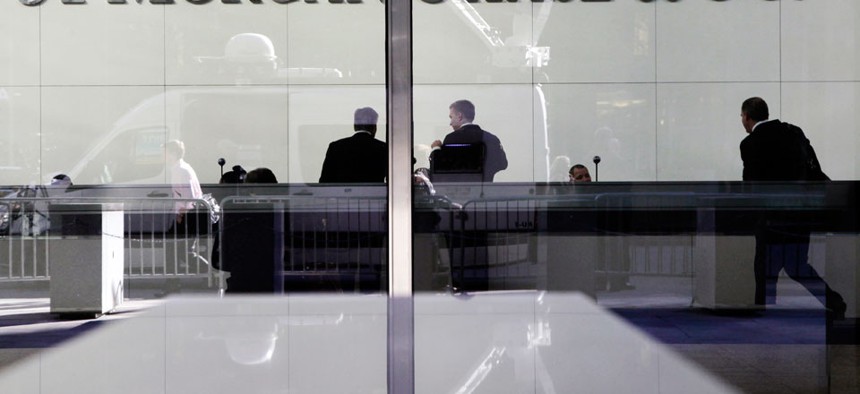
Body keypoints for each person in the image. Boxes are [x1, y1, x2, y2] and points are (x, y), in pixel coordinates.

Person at [739, 97, 845, 318]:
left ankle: (764, 309)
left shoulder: (749, 144)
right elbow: (814, 169)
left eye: (742, 116)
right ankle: (833, 301)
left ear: (747, 117)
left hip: (770, 217)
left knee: (764, 265)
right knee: (796, 264)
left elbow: (751, 185)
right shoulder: (793, 132)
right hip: (799, 213)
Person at [430, 99, 508, 182]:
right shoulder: (492, 139)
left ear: (459, 116)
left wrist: (436, 148)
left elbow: (439, 168)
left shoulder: (452, 138)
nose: (450, 123)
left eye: (451, 117)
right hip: (484, 191)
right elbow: (502, 164)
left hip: (458, 192)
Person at [319, 107, 387, 183]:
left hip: (341, 194)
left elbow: (324, 182)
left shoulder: (335, 147)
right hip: (374, 194)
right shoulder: (384, 148)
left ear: (355, 126)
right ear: (374, 127)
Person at [165, 140, 203, 229]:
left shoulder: (181, 170)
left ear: (173, 154)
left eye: (165, 153)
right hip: (184, 215)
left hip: (185, 216)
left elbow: (190, 196)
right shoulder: (181, 168)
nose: (163, 156)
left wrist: (181, 215)